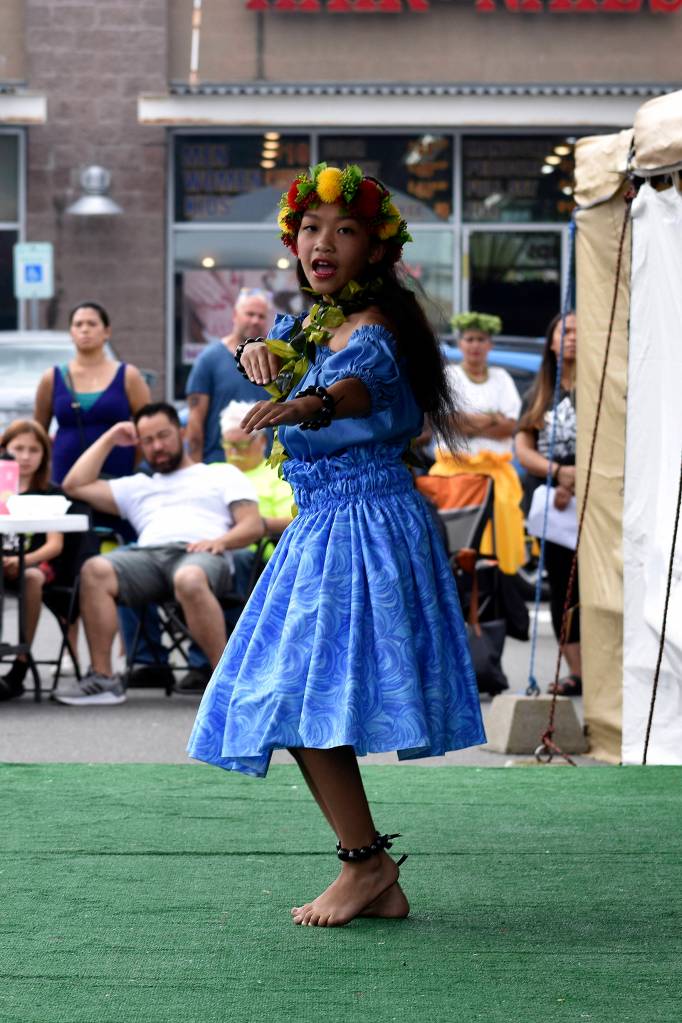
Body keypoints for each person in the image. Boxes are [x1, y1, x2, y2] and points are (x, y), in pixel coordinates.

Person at [187, 163, 485, 927]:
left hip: (363, 525)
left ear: (376, 251)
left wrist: (309, 402)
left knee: (293, 692)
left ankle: (365, 863)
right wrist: (262, 355)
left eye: (344, 229)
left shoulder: (375, 334)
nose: (322, 242)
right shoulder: (317, 324)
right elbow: (285, 360)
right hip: (324, 527)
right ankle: (370, 869)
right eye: (310, 228)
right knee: (284, 696)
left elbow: (355, 391)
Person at [55, 402, 263, 706]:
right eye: (147, 440)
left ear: (181, 433)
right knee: (94, 569)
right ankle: (103, 678)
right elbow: (74, 485)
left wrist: (222, 541)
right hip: (148, 558)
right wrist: (111, 437)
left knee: (189, 578)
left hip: (201, 554)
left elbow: (252, 525)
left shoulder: (220, 475)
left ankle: (226, 680)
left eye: (163, 436)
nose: (157, 446)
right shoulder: (137, 486)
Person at [428, 312, 525, 577]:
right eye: (469, 339)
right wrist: (492, 417)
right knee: (454, 548)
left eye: (481, 339)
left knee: (496, 553)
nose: (475, 345)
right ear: (460, 344)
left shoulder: (502, 378)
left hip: (495, 477)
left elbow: (510, 426)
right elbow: (447, 421)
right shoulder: (449, 376)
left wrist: (467, 423)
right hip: (453, 476)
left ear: (490, 345)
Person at [515, 311, 581, 695]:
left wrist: (576, 479)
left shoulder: (598, 387)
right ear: (552, 341)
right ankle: (576, 671)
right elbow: (523, 447)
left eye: (577, 331)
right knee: (563, 585)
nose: (571, 337)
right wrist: (557, 473)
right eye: (564, 331)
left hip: (595, 498)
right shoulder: (540, 392)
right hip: (555, 506)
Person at [34, 301, 151, 484]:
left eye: (92, 324)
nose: (85, 330)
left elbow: (147, 427)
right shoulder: (52, 377)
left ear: (107, 332)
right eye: (78, 324)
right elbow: (38, 432)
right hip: (66, 473)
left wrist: (134, 463)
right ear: (71, 333)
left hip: (117, 474)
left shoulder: (129, 376)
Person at [0, 420, 64, 701]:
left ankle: (21, 662)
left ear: (44, 455)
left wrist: (23, 561)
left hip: (34, 564)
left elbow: (55, 545)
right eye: (18, 449)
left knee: (33, 578)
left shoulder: (51, 494)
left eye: (33, 450)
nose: (25, 457)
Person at [185, 289, 273, 464]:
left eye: (261, 316)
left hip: (266, 470)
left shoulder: (276, 360)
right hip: (219, 465)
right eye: (250, 314)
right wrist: (195, 471)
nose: (255, 320)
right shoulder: (209, 359)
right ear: (235, 315)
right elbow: (195, 420)